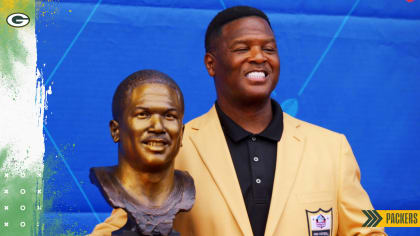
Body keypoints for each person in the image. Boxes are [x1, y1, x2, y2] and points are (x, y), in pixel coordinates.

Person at [91, 6, 386, 236]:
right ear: (211, 63)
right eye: (242, 48)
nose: (259, 57)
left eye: (268, 48)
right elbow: (123, 224)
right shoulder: (175, 147)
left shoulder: (332, 148)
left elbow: (369, 227)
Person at [90, 70, 194, 235]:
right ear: (115, 130)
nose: (158, 127)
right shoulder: (108, 184)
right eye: (143, 114)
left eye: (169, 116)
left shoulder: (186, 190)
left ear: (181, 133)